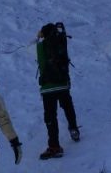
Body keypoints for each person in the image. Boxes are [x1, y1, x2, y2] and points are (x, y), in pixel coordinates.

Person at [36, 22, 80, 160]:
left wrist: (38, 39)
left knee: (50, 115)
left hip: (48, 87)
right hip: (63, 83)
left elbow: (42, 64)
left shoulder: (41, 46)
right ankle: (74, 129)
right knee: (67, 106)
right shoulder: (61, 42)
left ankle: (54, 146)